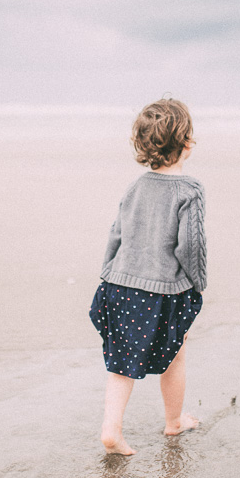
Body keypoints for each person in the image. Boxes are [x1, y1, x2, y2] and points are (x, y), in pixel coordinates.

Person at [89, 98, 207, 455]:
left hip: (119, 285)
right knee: (175, 354)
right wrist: (198, 285)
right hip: (162, 291)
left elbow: (116, 234)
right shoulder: (189, 190)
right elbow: (191, 246)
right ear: (187, 142)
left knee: (120, 362)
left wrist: (107, 277)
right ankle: (174, 422)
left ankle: (112, 428)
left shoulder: (135, 186)